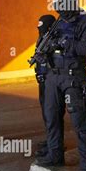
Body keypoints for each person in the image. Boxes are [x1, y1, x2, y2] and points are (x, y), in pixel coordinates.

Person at [37, 0, 86, 171]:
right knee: (52, 118)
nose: (57, 7)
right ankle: (55, 155)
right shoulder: (58, 21)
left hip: (74, 78)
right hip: (53, 77)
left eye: (60, 3)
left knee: (81, 124)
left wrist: (66, 44)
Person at [34, 14, 58, 157]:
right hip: (42, 80)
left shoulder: (54, 40)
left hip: (51, 81)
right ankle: (50, 140)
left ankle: (54, 145)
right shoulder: (42, 38)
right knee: (46, 113)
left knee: (52, 114)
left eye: (41, 24)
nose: (39, 27)